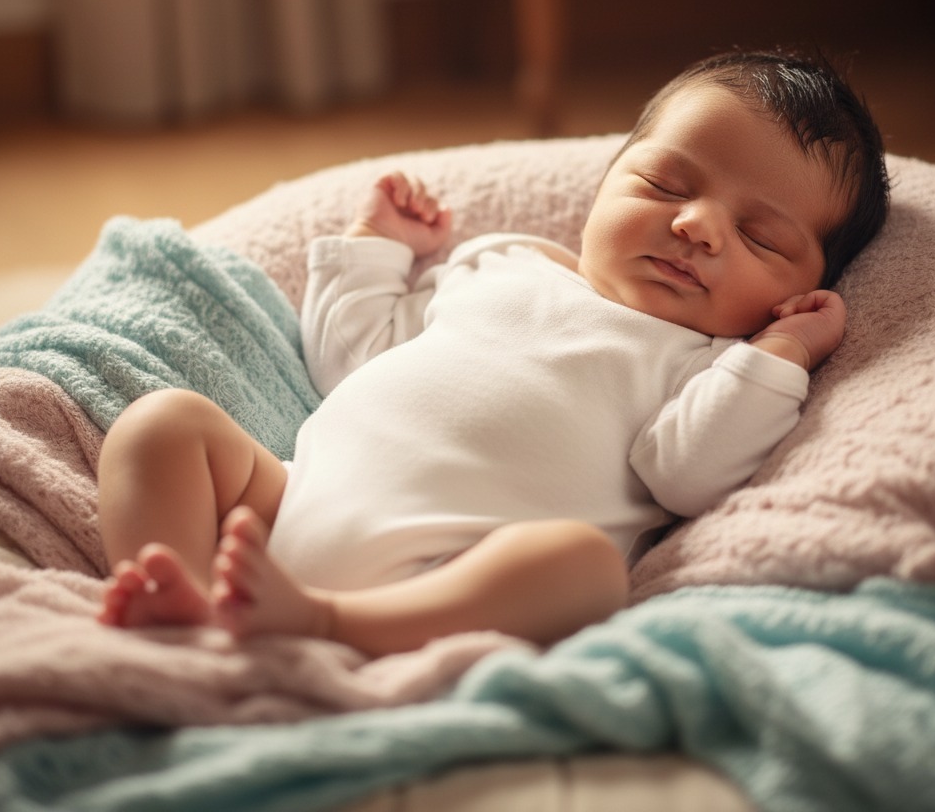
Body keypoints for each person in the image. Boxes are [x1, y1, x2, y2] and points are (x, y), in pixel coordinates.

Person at [97, 49, 890, 655]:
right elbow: (349, 359)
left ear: (800, 291)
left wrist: (781, 349)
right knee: (162, 424)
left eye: (758, 236)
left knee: (583, 567)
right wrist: (375, 247)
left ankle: (328, 621)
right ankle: (189, 599)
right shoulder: (507, 259)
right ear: (606, 182)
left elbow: (689, 474)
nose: (697, 226)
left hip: (456, 574)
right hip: (289, 508)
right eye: (666, 186)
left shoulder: (708, 364)